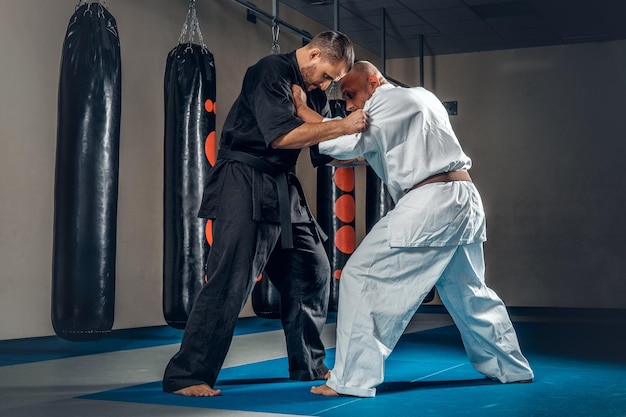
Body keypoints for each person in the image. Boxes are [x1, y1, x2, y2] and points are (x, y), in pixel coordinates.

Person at [292, 61, 534, 398]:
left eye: (351, 94)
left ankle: (350, 379)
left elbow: (338, 140)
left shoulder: (383, 105)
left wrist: (302, 109)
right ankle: (511, 367)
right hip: (464, 198)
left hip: (430, 202)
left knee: (359, 277)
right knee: (469, 292)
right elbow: (362, 151)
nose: (348, 105)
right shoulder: (421, 98)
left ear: (374, 83)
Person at [162, 31, 369, 397]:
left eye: (332, 82)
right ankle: (187, 374)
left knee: (313, 270)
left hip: (281, 188)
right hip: (243, 181)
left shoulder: (315, 92)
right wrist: (342, 124)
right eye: (326, 75)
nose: (326, 85)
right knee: (232, 278)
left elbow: (321, 148)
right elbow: (280, 137)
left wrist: (372, 147)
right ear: (315, 53)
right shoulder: (269, 71)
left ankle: (308, 363)